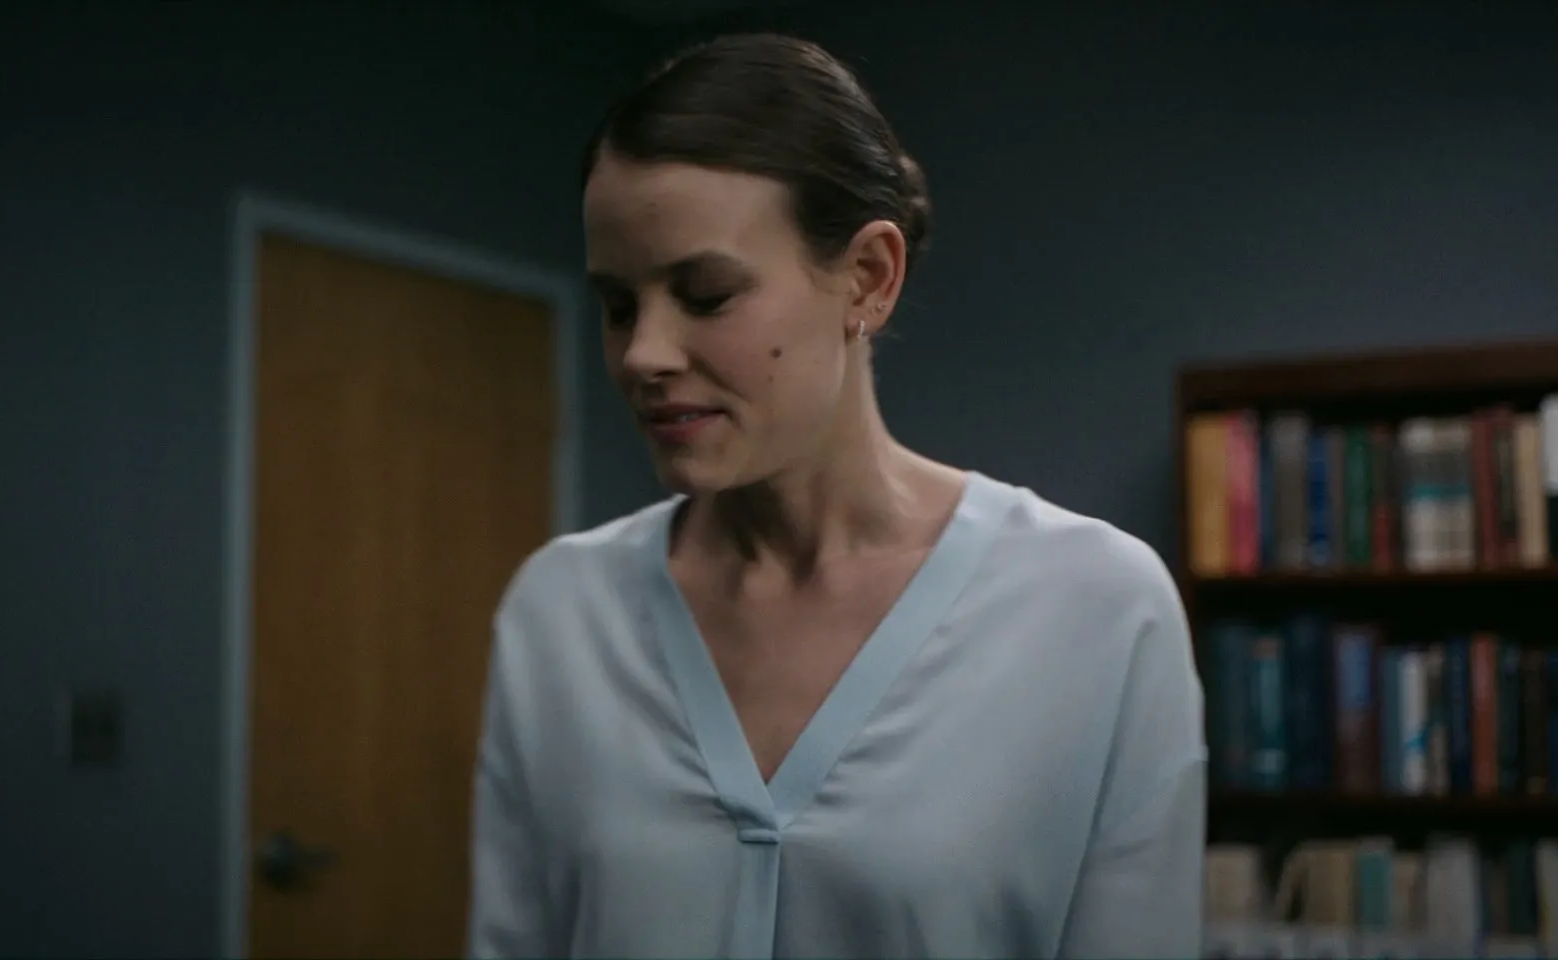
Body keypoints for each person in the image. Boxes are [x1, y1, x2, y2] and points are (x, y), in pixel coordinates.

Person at [466, 33, 1205, 960]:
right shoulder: (561, 614)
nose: (644, 353)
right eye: (619, 306)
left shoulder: (1096, 608)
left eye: (705, 294)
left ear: (868, 279)